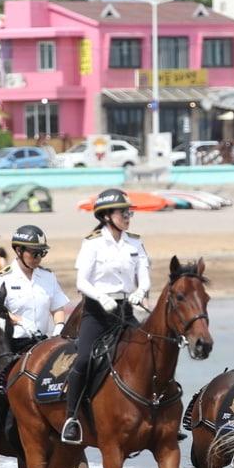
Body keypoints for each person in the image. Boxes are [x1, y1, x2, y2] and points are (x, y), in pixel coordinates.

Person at [61, 188, 150, 445]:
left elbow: (143, 276)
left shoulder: (135, 242)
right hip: (97, 313)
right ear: (107, 215)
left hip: (125, 309)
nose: (128, 216)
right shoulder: (92, 242)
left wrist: (140, 291)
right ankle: (72, 418)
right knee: (85, 359)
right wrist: (101, 297)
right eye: (123, 212)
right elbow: (82, 281)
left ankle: (156, 411)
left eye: (129, 211)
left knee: (151, 351)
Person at [0, 225, 68, 354]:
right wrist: (19, 320)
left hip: (41, 343)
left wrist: (59, 326)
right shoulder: (1, 278)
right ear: (19, 250)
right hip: (10, 345)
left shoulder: (48, 276)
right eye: (35, 253)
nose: (39, 258)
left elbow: (57, 306)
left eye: (42, 253)